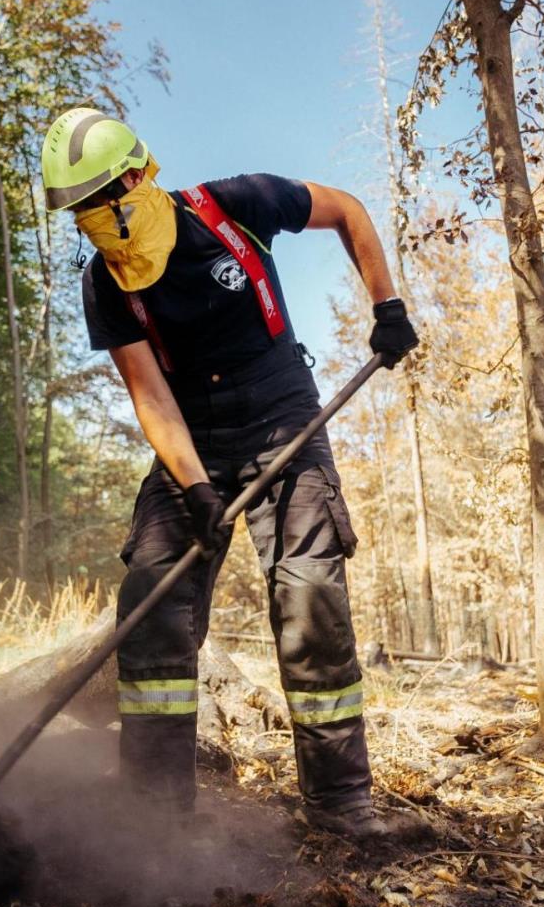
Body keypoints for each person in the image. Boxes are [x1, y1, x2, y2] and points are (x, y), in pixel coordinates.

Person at [40, 107, 419, 837]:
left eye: (99, 197)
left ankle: (340, 806)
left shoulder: (234, 204)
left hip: (283, 415)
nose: (91, 218)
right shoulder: (105, 284)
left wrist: (388, 303)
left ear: (137, 177)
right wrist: (194, 486)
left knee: (311, 596)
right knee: (151, 597)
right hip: (192, 432)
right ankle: (154, 814)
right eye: (76, 209)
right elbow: (149, 393)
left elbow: (348, 210)